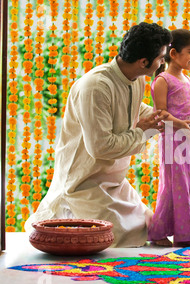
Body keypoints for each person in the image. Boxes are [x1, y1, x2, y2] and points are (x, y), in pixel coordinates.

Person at [25, 22, 172, 247]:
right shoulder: (96, 87)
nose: (163, 63)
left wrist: (164, 117)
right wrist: (142, 131)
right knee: (113, 238)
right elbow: (100, 147)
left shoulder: (136, 78)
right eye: (161, 58)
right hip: (84, 184)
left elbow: (133, 108)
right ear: (144, 62)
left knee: (154, 227)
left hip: (114, 180)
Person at [148, 29, 190, 247]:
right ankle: (160, 232)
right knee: (176, 186)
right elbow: (161, 113)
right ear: (173, 53)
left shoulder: (189, 81)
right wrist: (181, 124)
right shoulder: (163, 80)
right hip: (173, 141)